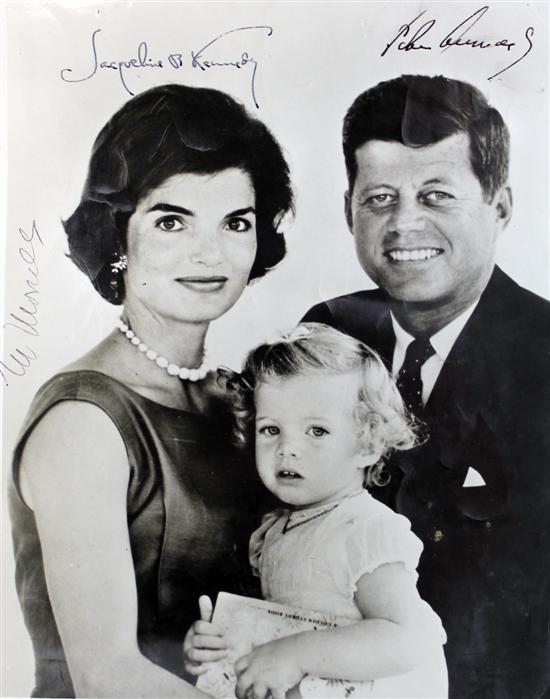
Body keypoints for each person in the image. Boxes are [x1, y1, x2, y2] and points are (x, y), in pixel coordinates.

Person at [8, 83, 293, 698]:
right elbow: (106, 679)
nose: (209, 252)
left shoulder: (240, 400)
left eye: (235, 223)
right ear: (118, 238)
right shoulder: (84, 421)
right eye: (172, 220)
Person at [302, 74, 550, 698]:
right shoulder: (330, 332)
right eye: (380, 197)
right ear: (348, 209)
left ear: (501, 206)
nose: (403, 224)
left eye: (436, 196)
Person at [184, 323, 448, 699]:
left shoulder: (364, 530)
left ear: (368, 444)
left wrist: (293, 655)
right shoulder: (275, 531)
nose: (287, 448)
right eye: (271, 429)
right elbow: (276, 627)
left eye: (317, 431)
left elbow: (407, 638)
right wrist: (219, 643)